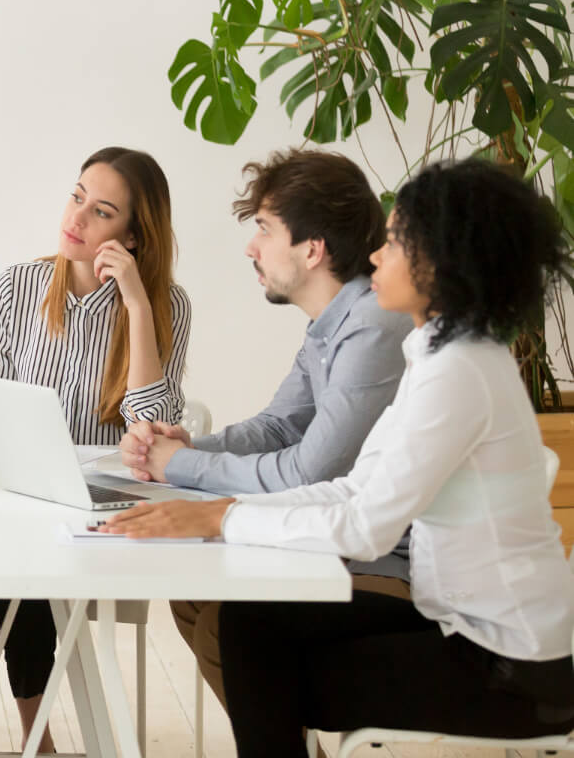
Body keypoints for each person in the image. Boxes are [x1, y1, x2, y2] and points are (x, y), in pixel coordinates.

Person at [103, 158, 574, 757]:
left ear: (443, 261)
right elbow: (352, 488)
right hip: (462, 628)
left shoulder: (460, 370)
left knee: (262, 662)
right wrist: (225, 509)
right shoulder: (437, 353)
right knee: (251, 629)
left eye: (397, 242)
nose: (376, 256)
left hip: (513, 670)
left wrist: (223, 517)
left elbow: (365, 524)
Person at [0, 146, 191, 758]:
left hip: (107, 517)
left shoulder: (165, 305)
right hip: (23, 498)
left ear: (132, 237)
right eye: (77, 195)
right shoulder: (20, 285)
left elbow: (153, 427)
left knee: (17, 555)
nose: (77, 218)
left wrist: (136, 305)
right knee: (15, 548)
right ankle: (30, 739)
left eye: (102, 211)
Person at [117, 148, 414, 706]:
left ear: (312, 249)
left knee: (227, 622)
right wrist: (187, 445)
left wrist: (179, 465)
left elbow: (310, 468)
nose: (251, 247)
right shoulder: (332, 324)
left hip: (388, 563)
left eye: (264, 229)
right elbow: (279, 425)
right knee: (194, 599)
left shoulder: (372, 327)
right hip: (338, 539)